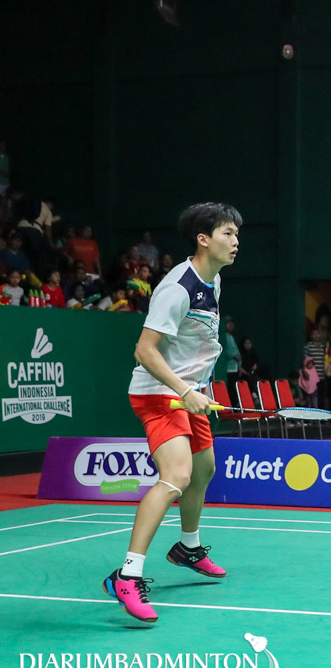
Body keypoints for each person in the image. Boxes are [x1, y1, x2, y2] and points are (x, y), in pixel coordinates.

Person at [103, 202, 241, 623]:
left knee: (204, 469)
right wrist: (184, 389)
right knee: (176, 476)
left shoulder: (213, 281)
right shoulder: (177, 288)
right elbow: (144, 351)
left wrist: (199, 388)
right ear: (203, 239)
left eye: (236, 234)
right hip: (159, 392)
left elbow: (196, 345)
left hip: (188, 391)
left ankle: (188, 548)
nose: (235, 241)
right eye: (227, 233)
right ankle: (127, 576)